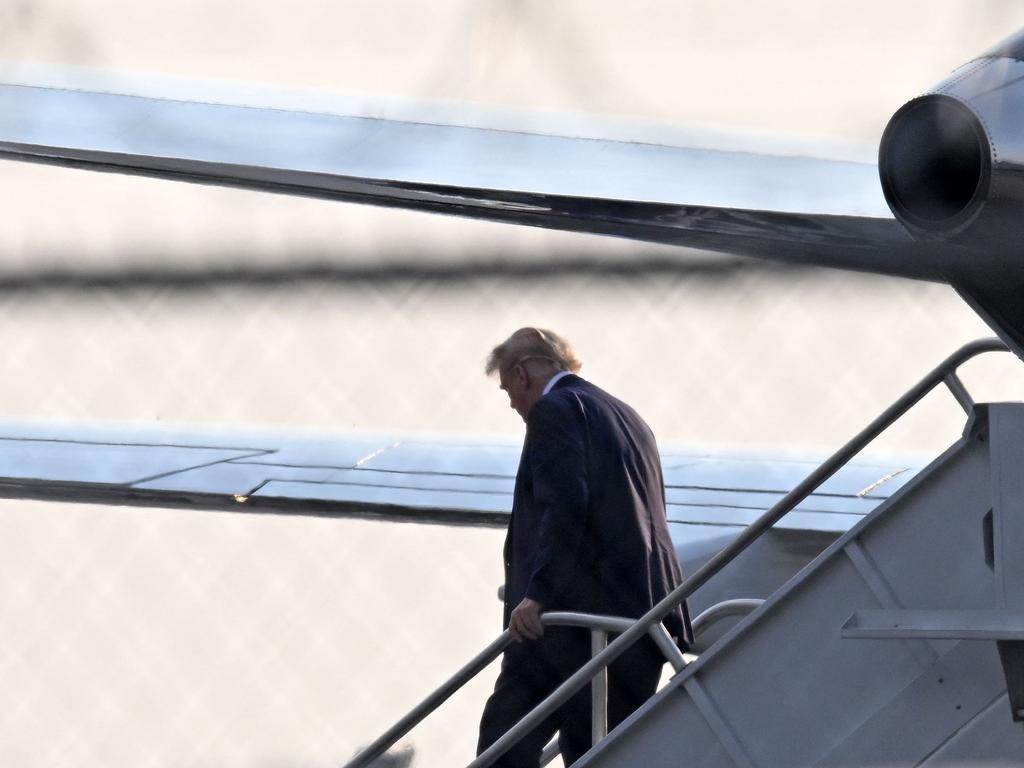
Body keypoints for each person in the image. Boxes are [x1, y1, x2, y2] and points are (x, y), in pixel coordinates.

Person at [477, 327, 693, 767]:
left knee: (503, 740)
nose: (513, 404)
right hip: (643, 616)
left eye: (507, 391)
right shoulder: (626, 415)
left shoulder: (553, 410)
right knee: (598, 752)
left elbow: (565, 506)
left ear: (521, 375)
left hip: (571, 621)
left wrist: (537, 595)